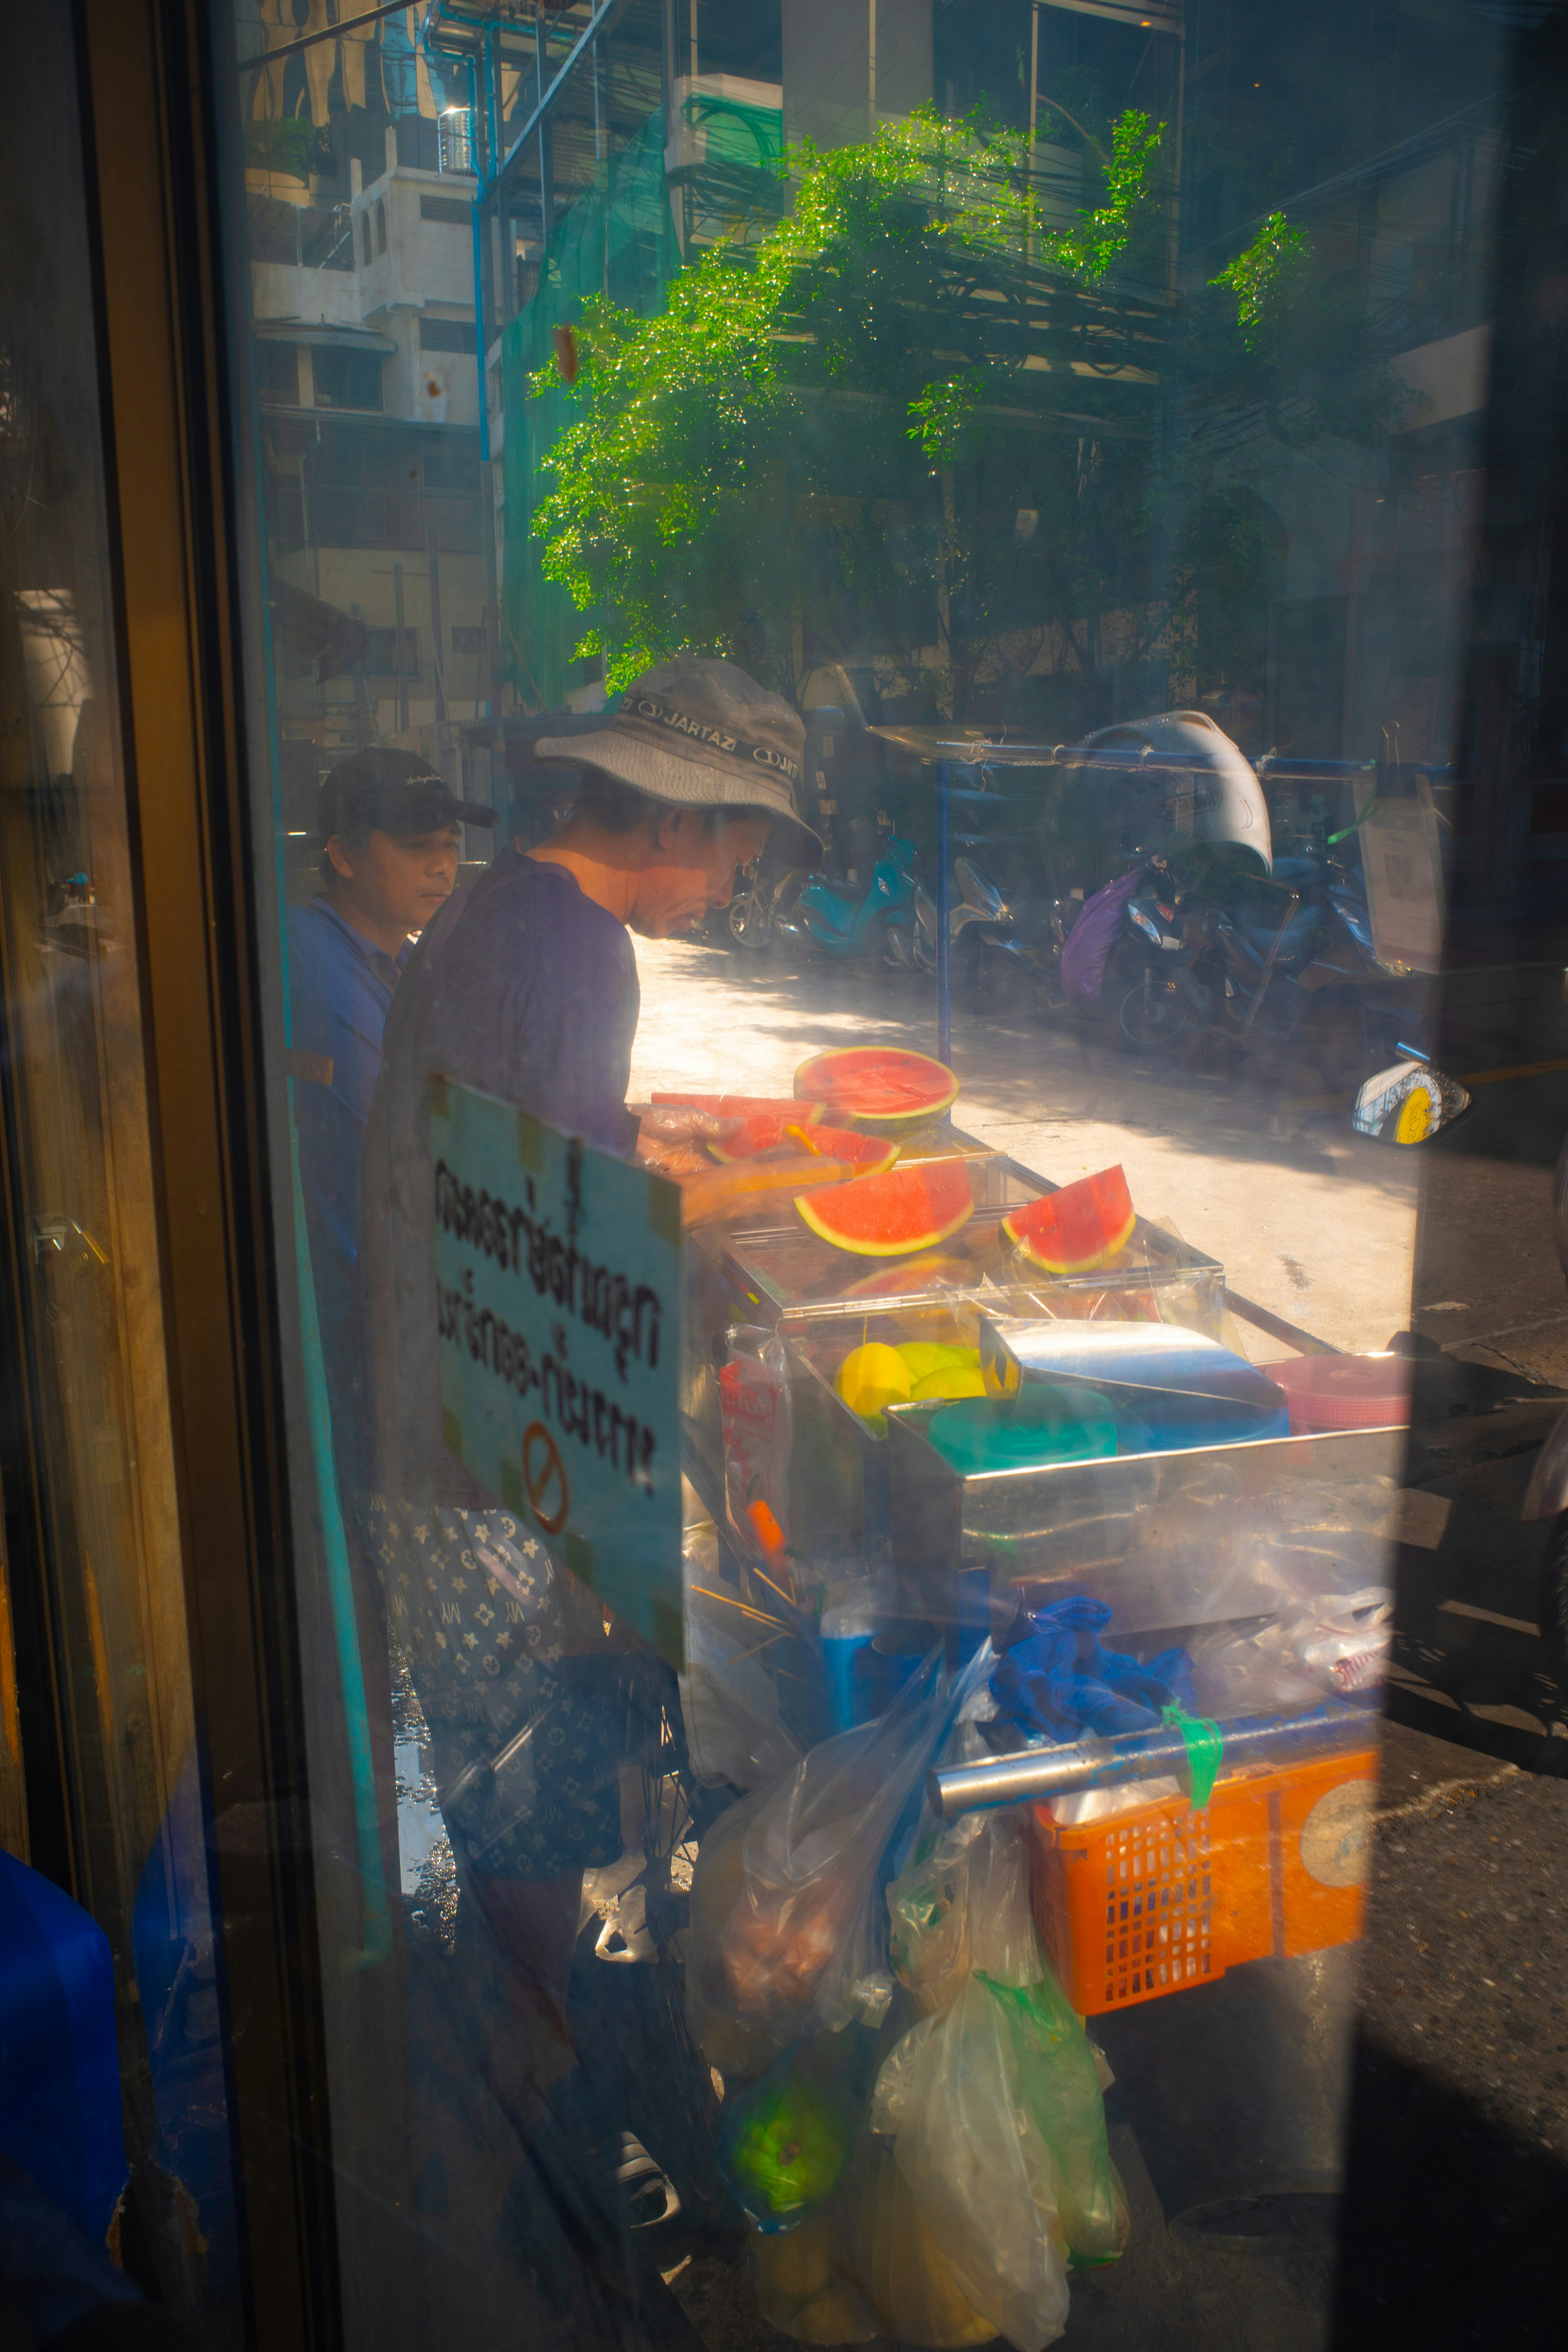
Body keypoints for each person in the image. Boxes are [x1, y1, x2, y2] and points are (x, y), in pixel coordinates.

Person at [352, 657, 820, 2096]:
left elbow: (525, 1147)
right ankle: (533, 2100)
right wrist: (746, 1201)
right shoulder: (576, 948)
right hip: (485, 1455)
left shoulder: (506, 910)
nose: (732, 886)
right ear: (677, 822)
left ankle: (522, 2030)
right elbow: (548, 1244)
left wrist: (648, 1155)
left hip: (449, 1417)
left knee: (513, 1773)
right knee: (528, 1789)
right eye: (737, 847)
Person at [287, 749, 495, 1405]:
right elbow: (421, 1159)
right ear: (343, 857)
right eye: (416, 846)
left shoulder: (392, 959)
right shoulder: (318, 969)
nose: (443, 865)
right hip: (358, 1328)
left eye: (450, 844)